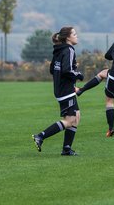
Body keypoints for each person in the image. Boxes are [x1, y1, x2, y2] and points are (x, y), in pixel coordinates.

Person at [32, 26, 84, 156]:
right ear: (68, 38)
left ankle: (67, 149)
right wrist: (78, 74)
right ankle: (40, 136)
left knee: (76, 116)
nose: (77, 36)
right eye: (74, 34)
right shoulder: (69, 49)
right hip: (66, 90)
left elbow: (52, 70)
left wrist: (71, 68)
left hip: (60, 89)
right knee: (70, 120)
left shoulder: (58, 50)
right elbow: (67, 71)